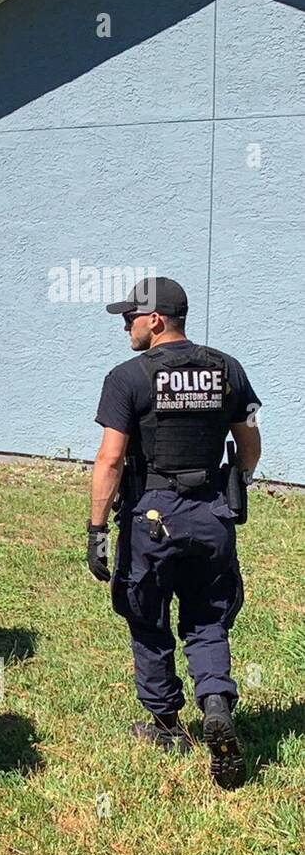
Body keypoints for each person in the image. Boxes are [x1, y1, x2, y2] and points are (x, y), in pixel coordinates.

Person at [87, 277, 261, 789]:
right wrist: (237, 484)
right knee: (208, 618)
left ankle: (166, 724)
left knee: (146, 614)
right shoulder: (228, 369)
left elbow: (111, 458)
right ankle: (214, 700)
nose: (126, 326)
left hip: (152, 516)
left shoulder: (127, 378)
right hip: (212, 514)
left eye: (131, 318)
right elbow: (249, 443)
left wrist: (96, 528)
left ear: (156, 320)